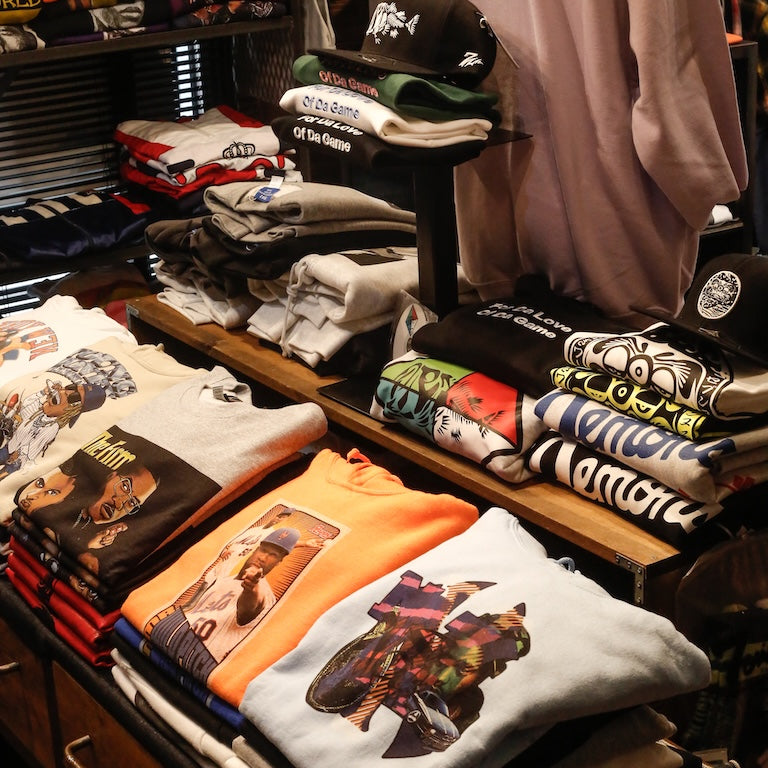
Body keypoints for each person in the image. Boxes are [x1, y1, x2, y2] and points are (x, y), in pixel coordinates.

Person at [178, 526, 300, 662]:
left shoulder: (264, 595)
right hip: (177, 646)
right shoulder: (224, 580)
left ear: (279, 562)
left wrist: (251, 588)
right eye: (264, 550)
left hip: (199, 661)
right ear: (256, 549)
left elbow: (249, 608)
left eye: (273, 555)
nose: (263, 558)